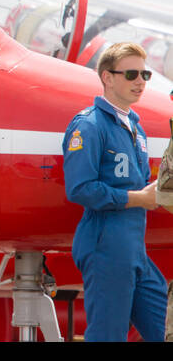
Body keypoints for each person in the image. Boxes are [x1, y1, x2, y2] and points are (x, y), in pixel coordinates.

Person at [63, 41, 166, 341]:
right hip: (105, 245)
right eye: (131, 74)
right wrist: (138, 199)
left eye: (145, 75)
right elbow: (80, 188)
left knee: (165, 329)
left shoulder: (136, 128)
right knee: (108, 336)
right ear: (107, 77)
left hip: (134, 248)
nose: (140, 82)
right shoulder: (89, 126)